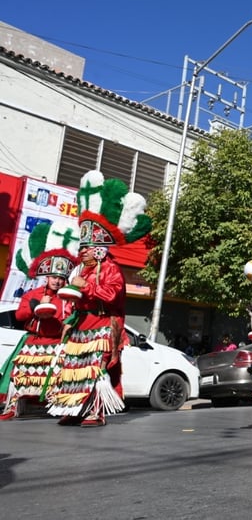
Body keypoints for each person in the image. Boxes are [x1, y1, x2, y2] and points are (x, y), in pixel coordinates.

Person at [46, 170, 151, 427]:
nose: (81, 252)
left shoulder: (111, 268)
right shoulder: (80, 269)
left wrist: (87, 289)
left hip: (103, 326)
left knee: (95, 368)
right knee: (73, 367)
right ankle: (73, 408)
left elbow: (113, 295)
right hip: (81, 326)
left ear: (99, 249)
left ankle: (95, 411)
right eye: (81, 247)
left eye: (86, 248)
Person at [0, 222, 78, 421]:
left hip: (56, 344)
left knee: (57, 377)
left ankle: (59, 408)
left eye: (61, 278)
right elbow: (19, 316)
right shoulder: (32, 294)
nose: (57, 281)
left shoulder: (68, 298)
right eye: (54, 277)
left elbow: (71, 320)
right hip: (32, 343)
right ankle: (12, 407)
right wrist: (35, 307)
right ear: (46, 276)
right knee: (19, 375)